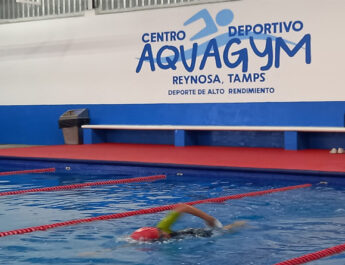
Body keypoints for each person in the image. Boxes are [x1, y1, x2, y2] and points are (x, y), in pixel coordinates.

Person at [130, 204, 246, 241]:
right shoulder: (149, 241)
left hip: (196, 233)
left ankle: (242, 224)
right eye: (161, 234)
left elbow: (183, 207)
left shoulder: (162, 226)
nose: (164, 233)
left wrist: (207, 218)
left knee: (223, 231)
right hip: (188, 235)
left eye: (160, 231)